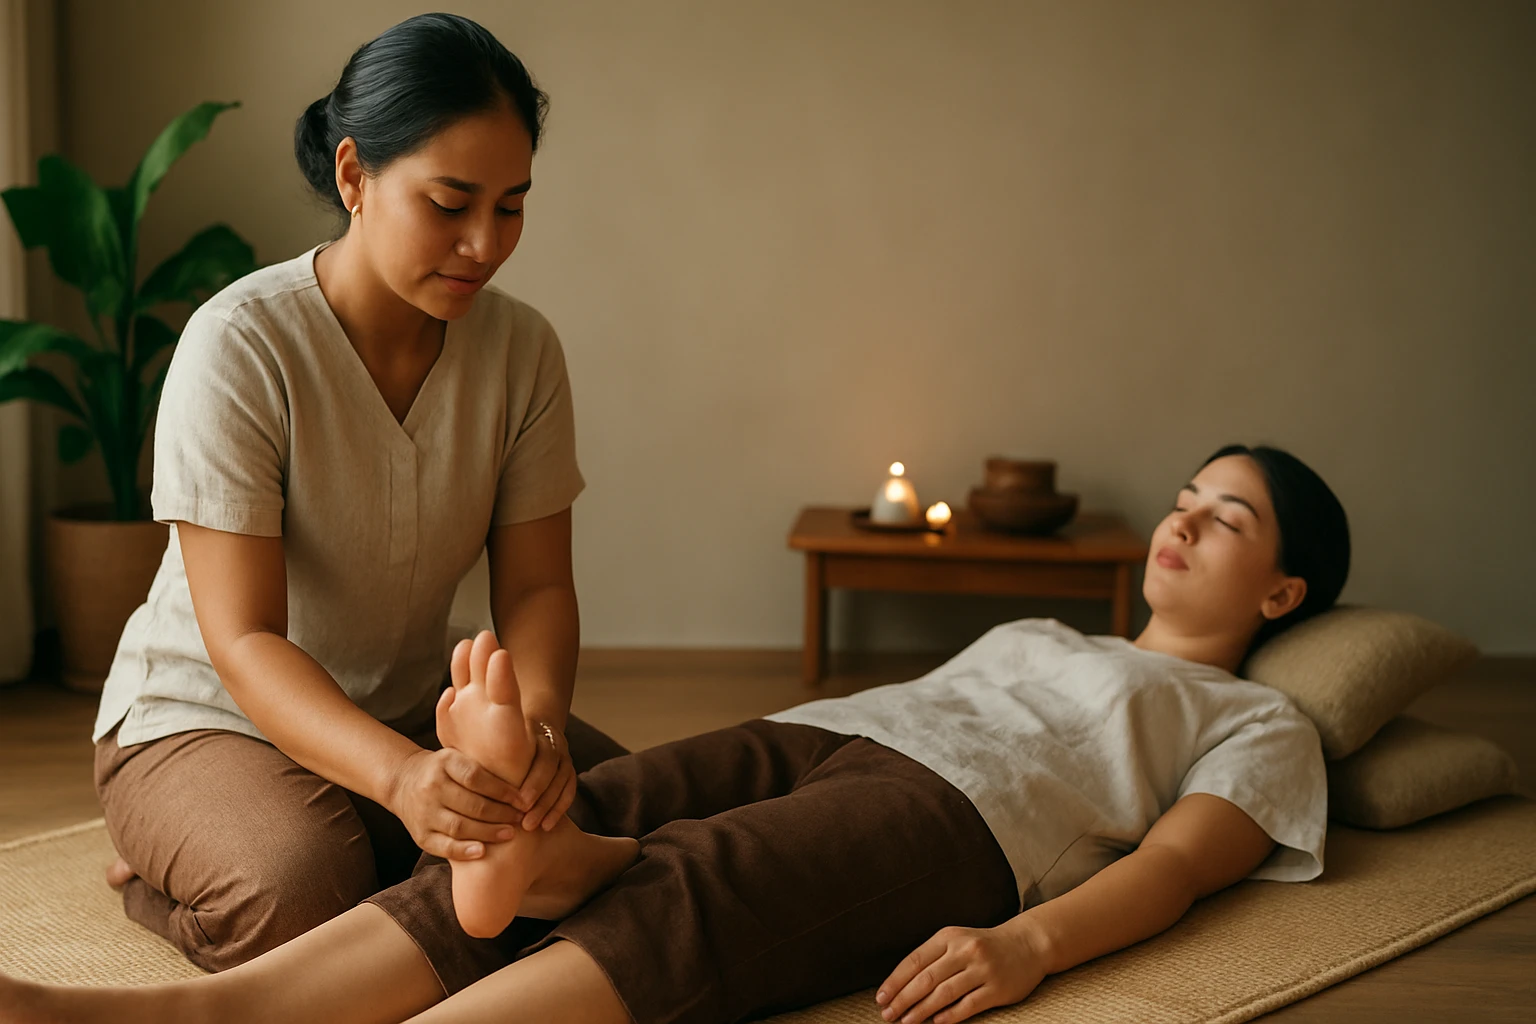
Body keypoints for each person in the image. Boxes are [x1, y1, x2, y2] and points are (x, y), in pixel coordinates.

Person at [4, 443, 1351, 1024]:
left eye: (1225, 519)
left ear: (1285, 593)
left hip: (962, 820)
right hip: (824, 730)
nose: (1180, 521)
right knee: (570, 803)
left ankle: (560, 880)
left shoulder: (1261, 718)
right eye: (1185, 497)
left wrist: (1028, 944)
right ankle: (174, 1013)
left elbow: (1178, 869)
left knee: (701, 894)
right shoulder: (1065, 639)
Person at [86, 12, 629, 972]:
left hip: (416, 709)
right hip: (210, 716)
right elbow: (244, 640)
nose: (483, 244)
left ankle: (392, 838)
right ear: (353, 177)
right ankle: (160, 876)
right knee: (305, 891)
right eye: (450, 202)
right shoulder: (240, 345)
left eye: (510, 206)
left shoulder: (523, 350)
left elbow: (539, 588)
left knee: (632, 806)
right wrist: (402, 779)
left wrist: (536, 728)